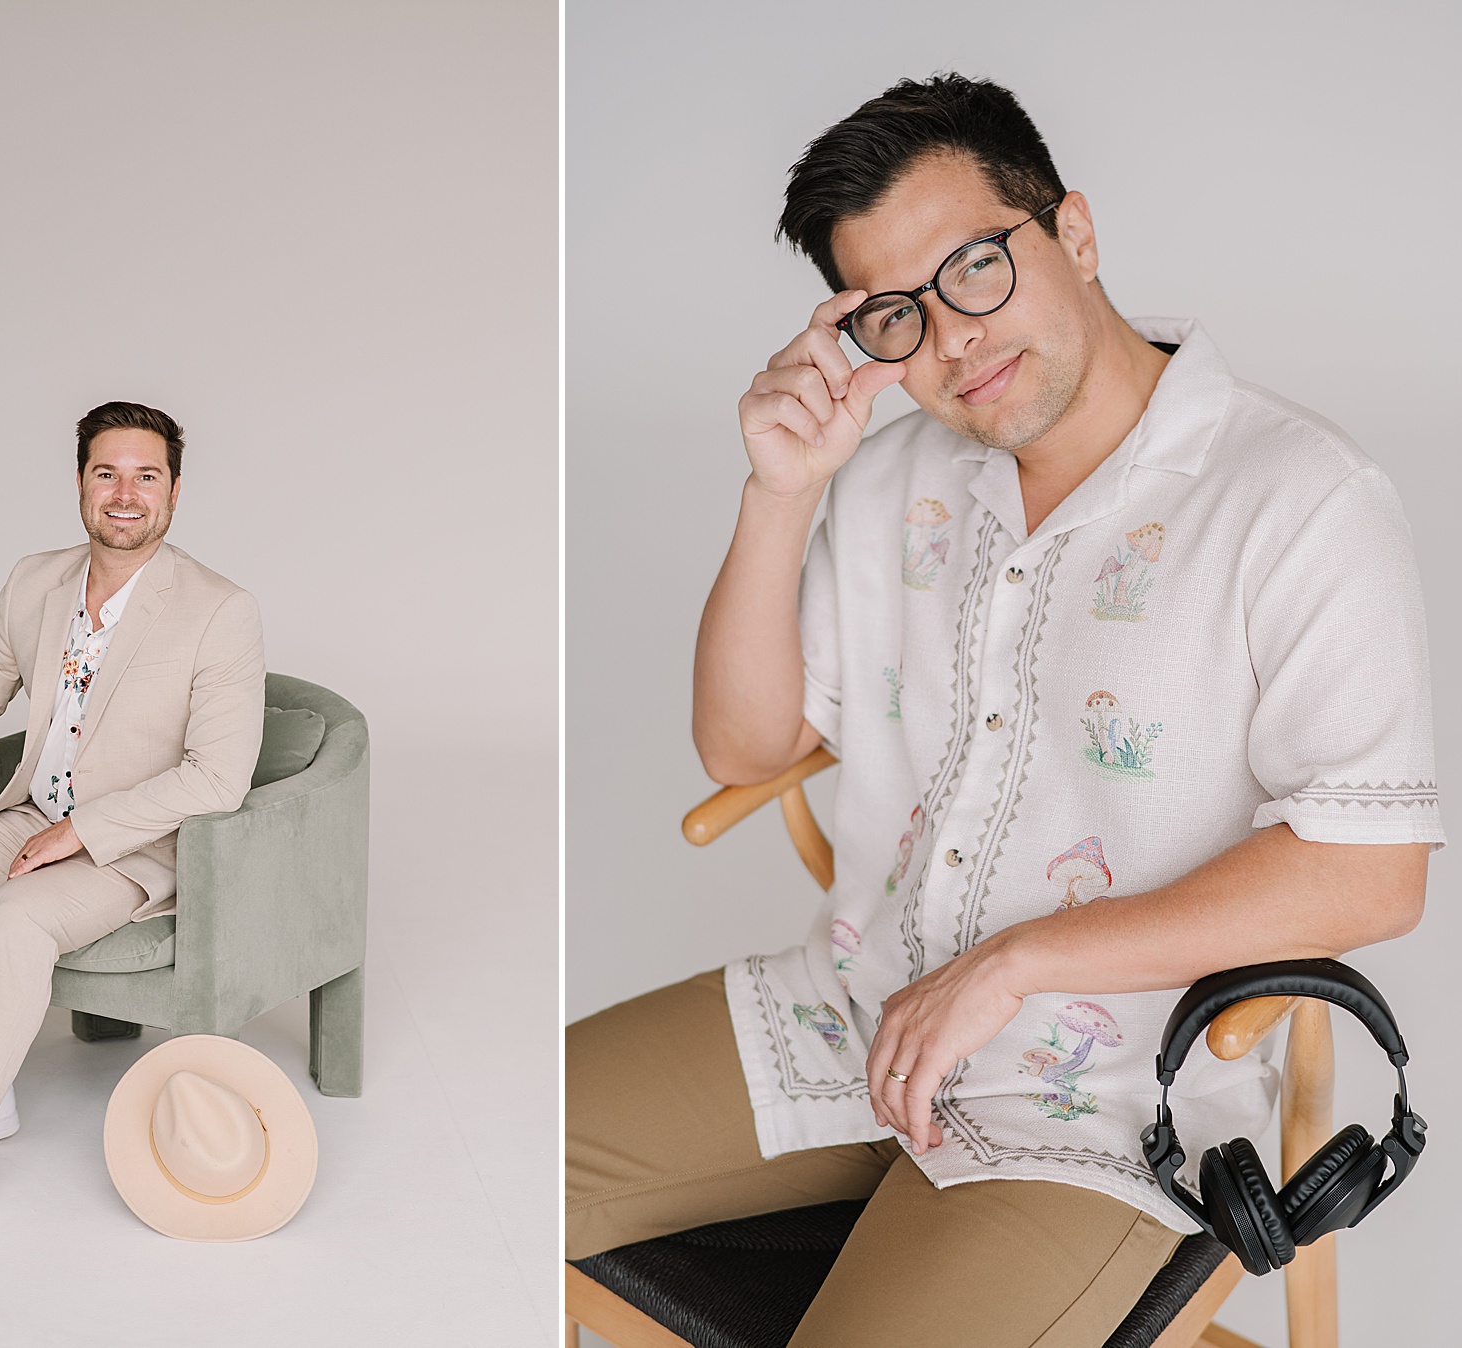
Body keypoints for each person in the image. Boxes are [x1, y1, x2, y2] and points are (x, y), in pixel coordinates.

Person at [566, 75, 1442, 1347]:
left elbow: (1373, 872)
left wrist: (1014, 963)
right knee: (500, 1147)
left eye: (976, 266)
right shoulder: (887, 479)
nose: (953, 340)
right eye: (897, 315)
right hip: (850, 1012)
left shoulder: (1302, 500)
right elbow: (744, 747)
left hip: (1109, 1099)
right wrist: (781, 492)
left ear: (1073, 233)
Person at [0, 401, 266, 1261]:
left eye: (146, 476)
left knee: (21, 914)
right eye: (107, 473)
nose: (125, 494)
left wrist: (83, 832)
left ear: (174, 493)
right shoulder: (34, 582)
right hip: (30, 816)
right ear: (79, 483)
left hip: (132, 845)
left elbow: (217, 778)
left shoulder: (220, 609)